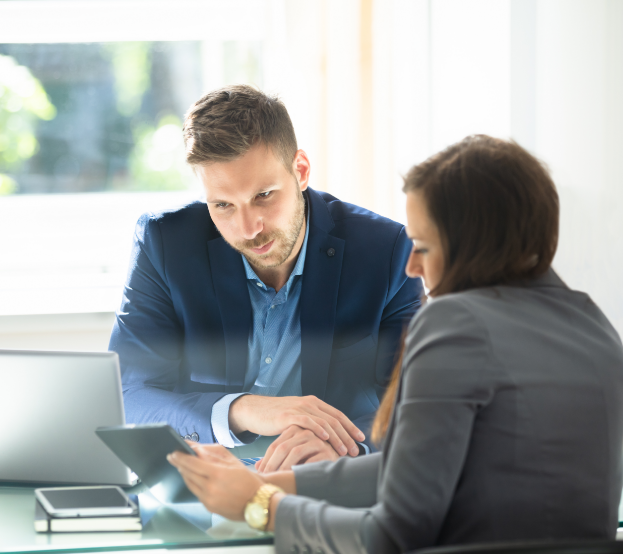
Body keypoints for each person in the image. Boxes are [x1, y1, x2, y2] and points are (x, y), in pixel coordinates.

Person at [168, 135, 623, 554]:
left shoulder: (456, 322)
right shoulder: (592, 325)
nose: (411, 267)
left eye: (424, 248)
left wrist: (258, 504)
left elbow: (391, 539)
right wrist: (269, 482)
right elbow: (409, 471)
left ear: (476, 247)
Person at [109, 85, 423, 468]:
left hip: (324, 483)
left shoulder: (386, 251)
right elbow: (129, 394)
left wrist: (349, 448)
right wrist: (240, 411)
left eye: (264, 196)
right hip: (200, 485)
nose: (247, 228)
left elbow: (415, 401)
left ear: (301, 171)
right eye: (223, 205)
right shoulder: (165, 244)